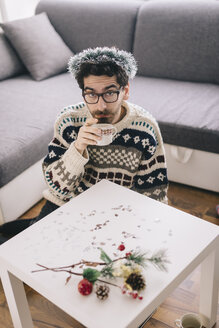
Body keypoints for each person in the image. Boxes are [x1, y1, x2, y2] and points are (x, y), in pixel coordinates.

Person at [0, 47, 168, 242]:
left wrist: (148, 230)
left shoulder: (144, 128)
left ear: (126, 91)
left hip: (116, 212)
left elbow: (154, 193)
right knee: (30, 249)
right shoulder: (69, 121)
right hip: (66, 204)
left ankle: (32, 224)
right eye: (91, 94)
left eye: (110, 93)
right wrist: (78, 148)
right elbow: (56, 188)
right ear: (83, 94)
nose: (101, 106)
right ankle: (33, 225)